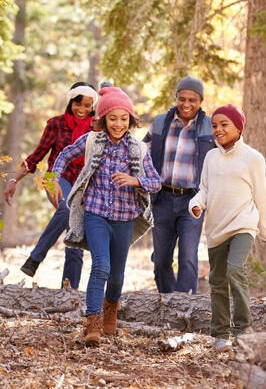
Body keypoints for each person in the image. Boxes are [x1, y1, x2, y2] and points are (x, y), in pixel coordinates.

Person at [50, 86, 162, 346]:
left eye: (124, 119)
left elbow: (155, 181)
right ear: (102, 119)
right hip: (95, 213)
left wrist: (135, 180)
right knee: (101, 265)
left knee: (117, 275)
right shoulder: (92, 141)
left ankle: (111, 308)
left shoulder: (137, 149)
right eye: (113, 118)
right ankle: (92, 323)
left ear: (131, 120)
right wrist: (53, 178)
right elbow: (65, 154)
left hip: (124, 217)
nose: (118, 124)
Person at [188, 104, 266, 352]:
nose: (218, 129)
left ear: (239, 127)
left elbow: (261, 197)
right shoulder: (211, 157)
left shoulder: (253, 158)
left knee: (235, 269)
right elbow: (204, 190)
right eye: (214, 125)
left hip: (243, 225)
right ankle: (220, 334)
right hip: (216, 228)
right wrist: (195, 204)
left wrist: (265, 229)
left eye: (224, 124)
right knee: (217, 282)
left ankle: (242, 330)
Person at [3, 81, 99, 289]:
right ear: (70, 102)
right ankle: (35, 258)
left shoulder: (97, 128)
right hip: (56, 179)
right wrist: (13, 179)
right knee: (66, 210)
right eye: (78, 104)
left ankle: (69, 290)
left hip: (84, 186)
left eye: (87, 105)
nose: (82, 110)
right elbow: (36, 156)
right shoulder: (56, 124)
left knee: (75, 238)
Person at [143, 76, 215, 294]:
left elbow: (224, 157)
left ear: (200, 101)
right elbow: (141, 152)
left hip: (192, 199)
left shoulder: (209, 127)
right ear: (176, 98)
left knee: (187, 257)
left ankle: (184, 303)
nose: (186, 104)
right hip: (162, 198)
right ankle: (167, 301)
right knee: (161, 260)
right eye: (182, 98)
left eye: (192, 100)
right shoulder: (159, 122)